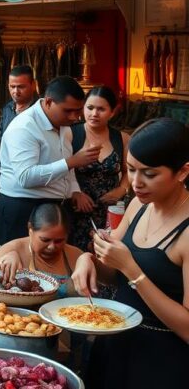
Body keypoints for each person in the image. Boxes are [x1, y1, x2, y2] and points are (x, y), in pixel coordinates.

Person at [71, 118, 189, 388]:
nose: (136, 182)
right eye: (131, 169)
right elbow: (114, 273)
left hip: (161, 362)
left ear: (182, 172)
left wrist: (133, 271)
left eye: (149, 173)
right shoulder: (138, 205)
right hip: (115, 345)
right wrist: (87, 258)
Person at [0, 76, 94, 244]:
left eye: (78, 111)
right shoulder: (24, 127)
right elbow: (26, 177)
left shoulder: (64, 126)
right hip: (24, 207)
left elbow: (66, 168)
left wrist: (74, 190)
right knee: (21, 265)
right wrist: (72, 161)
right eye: (68, 110)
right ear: (48, 102)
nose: (74, 117)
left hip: (56, 208)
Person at [70, 86, 130, 251]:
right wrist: (74, 193)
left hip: (110, 210)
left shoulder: (122, 138)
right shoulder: (70, 134)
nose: (94, 113)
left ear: (112, 112)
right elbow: (63, 169)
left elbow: (129, 171)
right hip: (77, 210)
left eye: (101, 109)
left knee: (105, 256)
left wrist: (122, 189)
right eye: (90, 108)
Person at [0, 202, 82, 297]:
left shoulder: (76, 255)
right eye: (45, 240)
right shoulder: (14, 248)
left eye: (59, 241)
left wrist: (87, 258)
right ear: (30, 229)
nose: (52, 246)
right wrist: (2, 260)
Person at [0, 65, 38, 183]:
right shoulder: (8, 108)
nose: (15, 92)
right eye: (12, 86)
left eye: (21, 87)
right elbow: (1, 135)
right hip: (4, 175)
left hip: (28, 176)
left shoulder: (40, 111)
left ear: (33, 85)